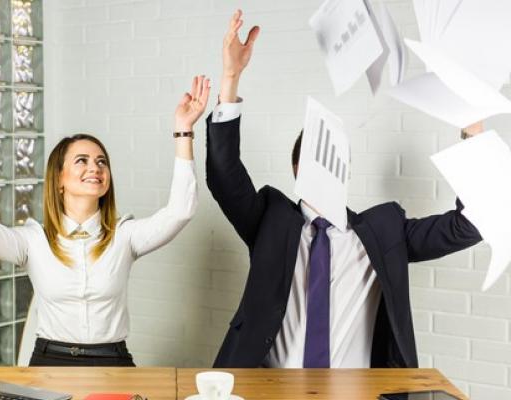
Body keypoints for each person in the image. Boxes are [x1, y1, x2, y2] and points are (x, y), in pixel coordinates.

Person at [206, 10, 483, 369]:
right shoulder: (270, 220)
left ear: (347, 171)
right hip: (270, 390)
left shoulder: (384, 232)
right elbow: (224, 176)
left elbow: (469, 225)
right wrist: (231, 78)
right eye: (314, 159)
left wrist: (472, 129)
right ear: (296, 170)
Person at [0, 75, 211, 366]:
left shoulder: (125, 236)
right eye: (82, 160)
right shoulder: (31, 241)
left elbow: (181, 210)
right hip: (49, 361)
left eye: (101, 161)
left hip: (113, 360)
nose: (95, 167)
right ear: (59, 180)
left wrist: (183, 131)